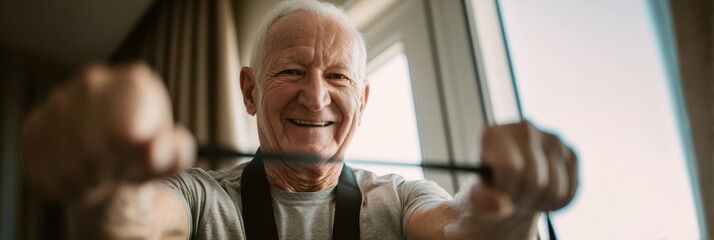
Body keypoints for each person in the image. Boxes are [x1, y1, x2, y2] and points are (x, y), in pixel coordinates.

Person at [20, 0, 579, 239]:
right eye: (291, 71)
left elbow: (460, 228)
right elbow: (138, 220)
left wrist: (510, 211)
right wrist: (104, 188)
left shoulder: (403, 199)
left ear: (361, 100)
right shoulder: (199, 197)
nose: (316, 98)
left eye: (337, 78)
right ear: (248, 90)